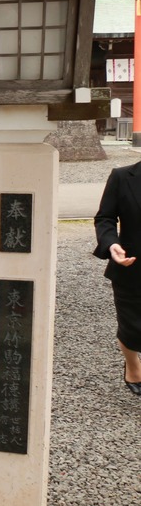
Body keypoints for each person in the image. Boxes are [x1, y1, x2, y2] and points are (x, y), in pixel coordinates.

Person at [93, 159, 141, 396]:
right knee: (133, 327)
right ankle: (133, 365)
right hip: (131, 266)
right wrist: (112, 244)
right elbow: (105, 218)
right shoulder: (122, 177)